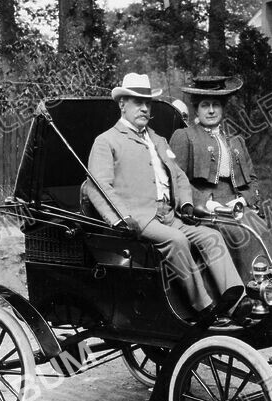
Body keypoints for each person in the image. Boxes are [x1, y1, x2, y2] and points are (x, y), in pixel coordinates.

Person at [84, 72, 244, 325]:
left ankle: (234, 300)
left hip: (170, 215)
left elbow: (179, 177)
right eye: (138, 102)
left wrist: (187, 203)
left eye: (147, 103)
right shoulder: (107, 141)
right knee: (177, 241)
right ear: (122, 104)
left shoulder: (158, 140)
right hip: (138, 217)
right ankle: (203, 308)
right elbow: (97, 185)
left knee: (210, 235)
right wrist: (120, 219)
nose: (145, 108)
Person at [170, 74, 272, 277]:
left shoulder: (235, 140)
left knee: (260, 228)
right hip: (204, 211)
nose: (211, 110)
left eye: (216, 105)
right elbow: (176, 180)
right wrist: (206, 203)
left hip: (236, 206)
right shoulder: (184, 137)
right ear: (197, 107)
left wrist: (244, 199)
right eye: (205, 105)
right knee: (239, 234)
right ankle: (248, 293)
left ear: (222, 108)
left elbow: (252, 179)